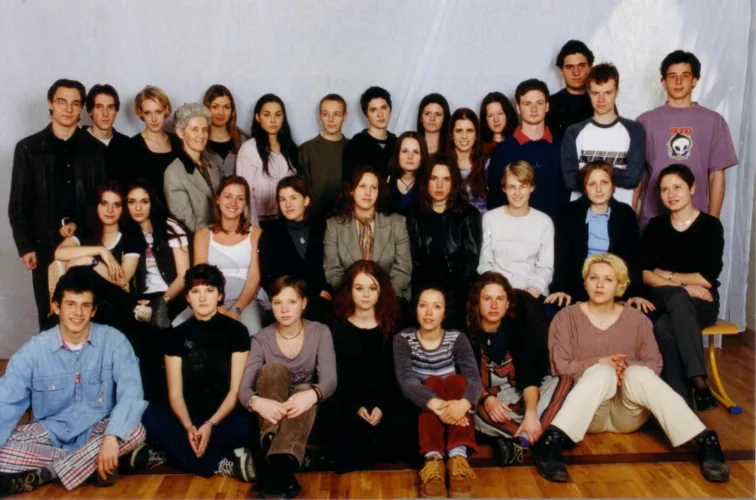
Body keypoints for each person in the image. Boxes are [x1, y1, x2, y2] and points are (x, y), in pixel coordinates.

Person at [532, 253, 729, 484]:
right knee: (601, 371)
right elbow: (559, 366)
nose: (599, 285)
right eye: (593, 278)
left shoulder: (638, 319)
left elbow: (654, 364)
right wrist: (601, 362)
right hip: (587, 412)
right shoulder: (565, 318)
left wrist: (623, 367)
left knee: (638, 373)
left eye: (608, 279)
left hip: (628, 413)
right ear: (585, 282)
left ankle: (705, 440)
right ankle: (551, 441)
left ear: (620, 285)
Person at [0, 269, 147, 496]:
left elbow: (132, 392)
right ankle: (91, 465)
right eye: (70, 304)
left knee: (135, 431)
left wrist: (111, 437)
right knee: (3, 451)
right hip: (50, 432)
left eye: (85, 305)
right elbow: (6, 400)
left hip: (97, 430)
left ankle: (44, 474)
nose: (78, 313)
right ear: (57, 307)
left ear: (94, 310)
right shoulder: (34, 350)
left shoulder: (114, 341)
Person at [140, 264, 255, 481]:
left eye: (209, 290)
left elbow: (234, 392)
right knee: (150, 415)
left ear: (219, 295)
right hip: (189, 415)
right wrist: (189, 426)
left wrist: (210, 425)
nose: (202, 298)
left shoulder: (237, 331)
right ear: (187, 297)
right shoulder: (176, 335)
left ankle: (174, 453)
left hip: (222, 415)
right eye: (195, 291)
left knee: (244, 426)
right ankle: (220, 464)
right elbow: (175, 394)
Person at [9, 78, 107, 330]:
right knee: (50, 314)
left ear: (81, 108)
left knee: (86, 314)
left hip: (84, 242)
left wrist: (79, 225)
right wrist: (25, 246)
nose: (68, 109)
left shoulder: (95, 149)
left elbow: (100, 199)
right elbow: (18, 202)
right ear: (50, 103)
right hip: (43, 244)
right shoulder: (28, 148)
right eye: (62, 102)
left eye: (75, 103)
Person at [239, 276, 337, 498]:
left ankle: (275, 469)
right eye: (277, 302)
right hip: (270, 411)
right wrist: (258, 402)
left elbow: (330, 380)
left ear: (303, 303)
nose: (284, 309)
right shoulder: (261, 339)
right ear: (270, 305)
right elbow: (244, 389)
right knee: (274, 369)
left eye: (292, 302)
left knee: (303, 390)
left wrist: (313, 395)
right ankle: (282, 469)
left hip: (304, 410)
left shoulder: (320, 332)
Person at [641, 164, 724, 410]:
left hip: (702, 302)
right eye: (664, 189)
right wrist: (685, 286)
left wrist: (668, 274)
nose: (671, 194)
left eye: (677, 187)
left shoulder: (710, 226)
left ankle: (681, 407)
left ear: (692, 188)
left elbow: (708, 279)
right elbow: (645, 274)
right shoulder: (656, 226)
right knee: (677, 297)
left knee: (664, 326)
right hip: (662, 297)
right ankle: (699, 382)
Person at [467, 272, 572, 467]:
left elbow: (529, 376)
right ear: (477, 302)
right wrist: (486, 399)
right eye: (487, 299)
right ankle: (544, 435)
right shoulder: (467, 333)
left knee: (564, 380)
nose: (494, 305)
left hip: (520, 397)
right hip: (489, 404)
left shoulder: (518, 330)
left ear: (508, 304)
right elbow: (466, 377)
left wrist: (531, 413)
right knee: (470, 412)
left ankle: (522, 440)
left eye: (500, 299)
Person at [324, 260, 415, 472]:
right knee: (338, 422)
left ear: (381, 291)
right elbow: (337, 377)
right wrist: (356, 407)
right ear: (349, 290)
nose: (366, 295)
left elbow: (397, 376)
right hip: (350, 403)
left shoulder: (395, 326)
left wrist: (382, 407)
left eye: (372, 288)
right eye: (359, 288)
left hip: (386, 402)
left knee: (406, 421)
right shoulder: (335, 327)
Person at [393, 286, 482, 498]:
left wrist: (462, 405)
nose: (428, 312)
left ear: (444, 313)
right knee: (432, 382)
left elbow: (474, 379)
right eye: (423, 305)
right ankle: (433, 460)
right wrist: (437, 405)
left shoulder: (457, 338)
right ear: (415, 309)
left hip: (454, 404)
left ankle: (458, 459)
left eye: (436, 307)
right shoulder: (403, 339)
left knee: (456, 381)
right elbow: (407, 382)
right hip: (422, 408)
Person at [635, 50, 738, 229]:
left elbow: (717, 175)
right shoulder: (645, 121)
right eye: (672, 76)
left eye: (685, 75)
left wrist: (712, 223)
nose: (678, 82)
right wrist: (629, 217)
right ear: (663, 82)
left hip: (696, 221)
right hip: (652, 221)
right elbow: (636, 177)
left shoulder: (713, 121)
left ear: (695, 80)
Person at [546, 161, 653, 311]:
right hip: (579, 286)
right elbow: (562, 259)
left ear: (613, 186)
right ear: (585, 187)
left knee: (637, 313)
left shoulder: (625, 214)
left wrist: (635, 294)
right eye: (592, 184)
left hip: (614, 287)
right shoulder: (569, 213)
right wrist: (560, 289)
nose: (598, 189)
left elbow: (633, 259)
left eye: (604, 183)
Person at [53, 181, 146, 334]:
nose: (110, 210)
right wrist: (101, 251)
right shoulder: (86, 233)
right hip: (84, 305)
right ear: (96, 205)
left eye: (116, 205)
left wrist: (91, 261)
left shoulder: (131, 237)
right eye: (104, 203)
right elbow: (59, 253)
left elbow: (122, 280)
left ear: (123, 208)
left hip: (111, 306)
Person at [406, 156, 481, 329]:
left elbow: (470, 263)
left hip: (457, 296)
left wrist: (447, 296)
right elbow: (412, 261)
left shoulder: (468, 214)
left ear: (453, 183)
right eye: (434, 178)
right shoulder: (412, 214)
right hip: (422, 294)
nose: (439, 186)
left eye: (446, 179)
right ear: (426, 181)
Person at [190, 176, 267, 335]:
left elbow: (254, 277)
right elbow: (200, 277)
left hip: (246, 299)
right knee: (179, 329)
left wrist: (236, 310)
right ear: (218, 199)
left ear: (246, 204)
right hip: (209, 299)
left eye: (240, 198)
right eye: (227, 196)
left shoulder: (256, 234)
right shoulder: (202, 235)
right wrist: (217, 309)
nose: (233, 203)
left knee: (252, 334)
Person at [562, 63, 646, 206]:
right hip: (582, 212)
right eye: (596, 93)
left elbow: (633, 177)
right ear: (588, 92)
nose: (601, 100)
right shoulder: (573, 132)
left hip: (620, 212)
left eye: (607, 92)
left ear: (617, 92)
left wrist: (588, 173)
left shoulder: (634, 129)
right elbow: (570, 180)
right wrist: (615, 174)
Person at [324, 165, 412, 302]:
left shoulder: (397, 223)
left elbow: (403, 270)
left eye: (373, 187)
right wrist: (356, 298)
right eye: (362, 186)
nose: (368, 193)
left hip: (390, 299)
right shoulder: (334, 225)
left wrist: (382, 298)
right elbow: (332, 271)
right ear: (351, 191)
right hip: (349, 300)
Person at [487, 79, 568, 219]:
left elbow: (565, 195)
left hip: (555, 228)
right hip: (514, 228)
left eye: (539, 103)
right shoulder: (503, 150)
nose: (534, 109)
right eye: (527, 104)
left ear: (547, 106)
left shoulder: (560, 147)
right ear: (518, 108)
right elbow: (495, 199)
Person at [258, 176, 331, 322]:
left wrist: (325, 292)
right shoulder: (270, 233)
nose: (288, 204)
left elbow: (329, 268)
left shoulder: (322, 228)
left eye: (293, 198)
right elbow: (267, 277)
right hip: (286, 303)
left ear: (306, 200)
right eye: (282, 199)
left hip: (320, 302)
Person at [478, 161, 554, 300]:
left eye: (522, 186)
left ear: (531, 187)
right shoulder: (490, 218)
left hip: (531, 293)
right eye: (512, 187)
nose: (517, 193)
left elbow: (545, 267)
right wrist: (499, 288)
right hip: (497, 291)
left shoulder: (544, 222)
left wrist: (534, 287)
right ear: (504, 188)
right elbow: (485, 263)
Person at [236, 93, 299, 229]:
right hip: (260, 222)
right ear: (258, 117)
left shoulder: (290, 149)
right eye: (267, 115)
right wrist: (253, 229)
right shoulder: (249, 149)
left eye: (278, 115)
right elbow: (245, 192)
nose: (273, 120)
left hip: (288, 221)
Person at [164, 103, 225, 232]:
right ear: (181, 133)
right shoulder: (174, 173)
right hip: (198, 240)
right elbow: (186, 224)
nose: (201, 135)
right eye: (195, 130)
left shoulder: (213, 166)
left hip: (220, 235)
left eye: (204, 129)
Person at [299, 93, 350, 222]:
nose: (331, 119)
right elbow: (301, 190)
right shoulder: (306, 149)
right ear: (320, 116)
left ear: (345, 116)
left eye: (336, 114)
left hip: (347, 219)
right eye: (326, 114)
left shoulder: (353, 147)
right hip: (314, 220)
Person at [130, 86, 182, 206]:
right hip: (148, 212)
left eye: (158, 112)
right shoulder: (132, 146)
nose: (153, 119)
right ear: (140, 113)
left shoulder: (178, 142)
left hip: (178, 210)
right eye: (147, 113)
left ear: (166, 110)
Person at [342, 86, 397, 180]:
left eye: (384, 108)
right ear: (366, 115)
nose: (380, 114)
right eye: (373, 110)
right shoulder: (355, 145)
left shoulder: (398, 143)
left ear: (390, 110)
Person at [84, 84, 134, 183]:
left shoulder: (127, 144)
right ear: (90, 111)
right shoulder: (78, 142)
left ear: (116, 111)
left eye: (110, 107)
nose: (105, 114)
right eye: (99, 107)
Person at [546, 40, 595, 140]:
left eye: (581, 66)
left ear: (590, 67)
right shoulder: (550, 104)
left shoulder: (601, 100)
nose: (576, 73)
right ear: (561, 70)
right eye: (569, 67)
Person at [203, 84, 249, 177]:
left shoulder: (243, 141)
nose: (221, 113)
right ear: (206, 108)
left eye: (226, 107)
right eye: (215, 107)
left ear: (232, 110)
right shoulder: (199, 140)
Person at [448, 108, 488, 214]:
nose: (464, 136)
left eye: (469, 131)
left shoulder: (487, 165)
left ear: (476, 135)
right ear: (451, 134)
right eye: (459, 131)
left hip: (483, 223)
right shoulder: (442, 165)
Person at [385, 131, 428, 216]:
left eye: (416, 152)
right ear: (397, 154)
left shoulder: (427, 184)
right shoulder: (386, 181)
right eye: (405, 151)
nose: (410, 157)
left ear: (422, 156)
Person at [480, 92, 519, 158]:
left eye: (500, 113)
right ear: (485, 119)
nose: (496, 120)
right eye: (490, 115)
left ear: (507, 115)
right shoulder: (481, 149)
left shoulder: (518, 141)